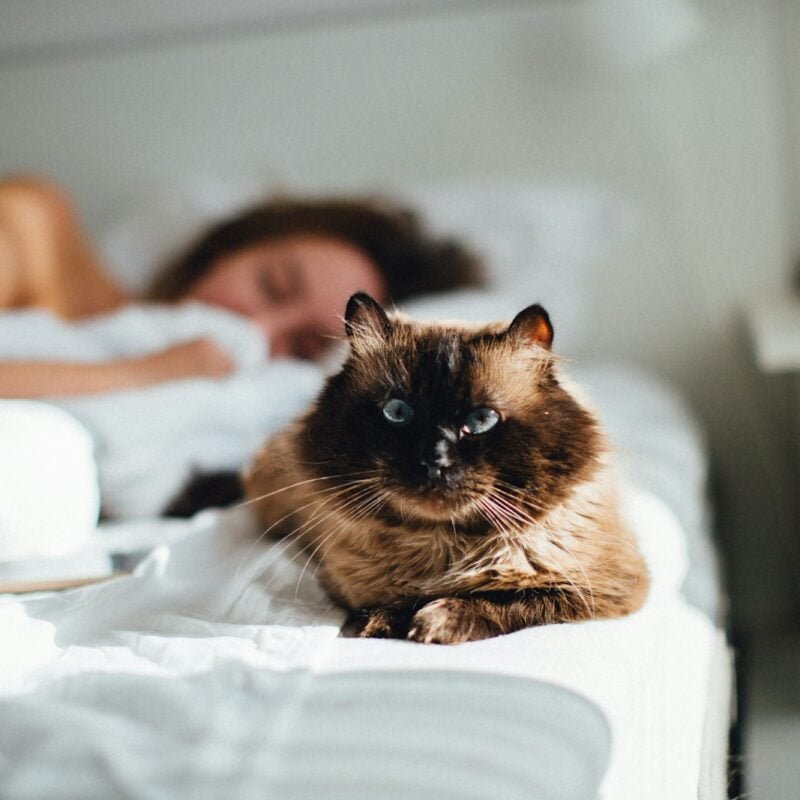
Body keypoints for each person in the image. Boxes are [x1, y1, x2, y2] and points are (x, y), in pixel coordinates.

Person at [0, 175, 484, 398]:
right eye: (272, 285)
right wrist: (150, 372)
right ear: (230, 247)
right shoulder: (33, 232)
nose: (256, 328)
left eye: (302, 346)